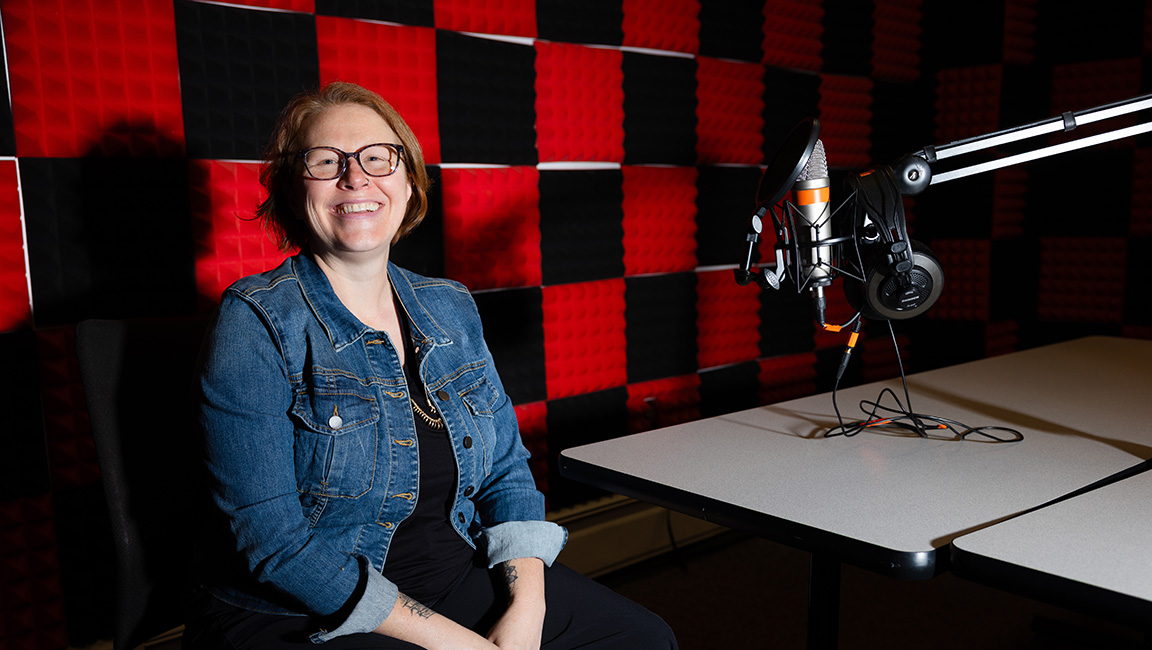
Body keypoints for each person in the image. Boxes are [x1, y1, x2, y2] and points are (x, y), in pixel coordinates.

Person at [184, 81, 678, 650]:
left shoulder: (448, 306)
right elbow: (274, 544)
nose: (356, 177)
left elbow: (505, 473)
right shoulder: (256, 321)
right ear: (294, 191)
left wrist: (526, 608)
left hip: (446, 574)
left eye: (378, 157)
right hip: (297, 608)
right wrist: (461, 644)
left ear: (408, 179)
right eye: (325, 162)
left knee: (640, 637)